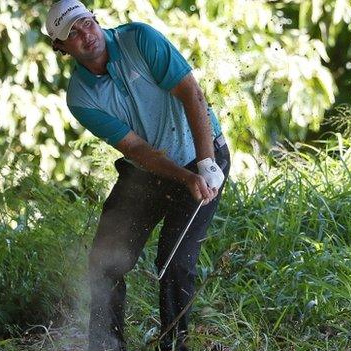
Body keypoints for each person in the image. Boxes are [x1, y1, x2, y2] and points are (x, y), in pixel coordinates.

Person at [44, 1, 230, 350]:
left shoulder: (139, 39)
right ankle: (105, 346)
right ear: (61, 47)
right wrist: (181, 178)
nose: (85, 34)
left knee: (174, 262)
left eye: (86, 23)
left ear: (96, 20)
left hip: (203, 156)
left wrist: (203, 165)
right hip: (148, 171)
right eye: (72, 33)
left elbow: (192, 93)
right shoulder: (80, 97)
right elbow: (138, 150)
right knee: (103, 262)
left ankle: (175, 345)